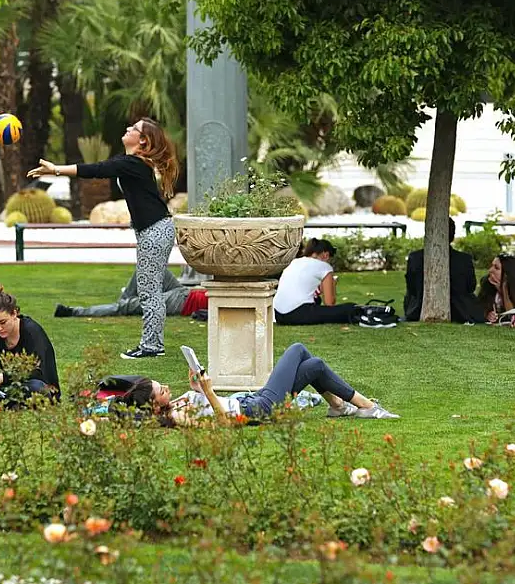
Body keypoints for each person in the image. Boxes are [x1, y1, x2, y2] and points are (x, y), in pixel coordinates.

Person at [29, 118, 178, 359]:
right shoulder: (132, 163)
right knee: (148, 289)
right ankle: (152, 344)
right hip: (154, 230)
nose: (127, 128)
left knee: (149, 291)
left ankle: (152, 346)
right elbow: (100, 169)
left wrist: (55, 169)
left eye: (134, 129)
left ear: (142, 140)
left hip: (155, 230)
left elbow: (95, 169)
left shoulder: (132, 163)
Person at [117, 343, 398, 426]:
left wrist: (197, 389)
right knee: (299, 349)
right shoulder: (176, 417)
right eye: (161, 390)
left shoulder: (175, 406)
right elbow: (225, 423)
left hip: (254, 401)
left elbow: (206, 406)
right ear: (154, 405)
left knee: (314, 366)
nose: (166, 387)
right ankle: (365, 406)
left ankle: (339, 406)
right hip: (258, 409)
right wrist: (210, 392)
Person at [403, 218, 485, 323]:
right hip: (460, 312)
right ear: (453, 236)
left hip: (417, 311)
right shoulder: (464, 260)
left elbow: (412, 288)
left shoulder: (415, 258)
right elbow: (470, 287)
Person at [54, 269, 207, 319]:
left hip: (181, 303)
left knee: (126, 307)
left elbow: (204, 314)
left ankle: (73, 311)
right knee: (147, 268)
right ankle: (123, 302)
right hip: (184, 292)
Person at [274, 239, 359, 325]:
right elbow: (329, 303)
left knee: (317, 300)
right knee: (350, 308)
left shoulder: (295, 262)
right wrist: (332, 284)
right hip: (296, 314)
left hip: (278, 315)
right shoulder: (325, 266)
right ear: (326, 255)